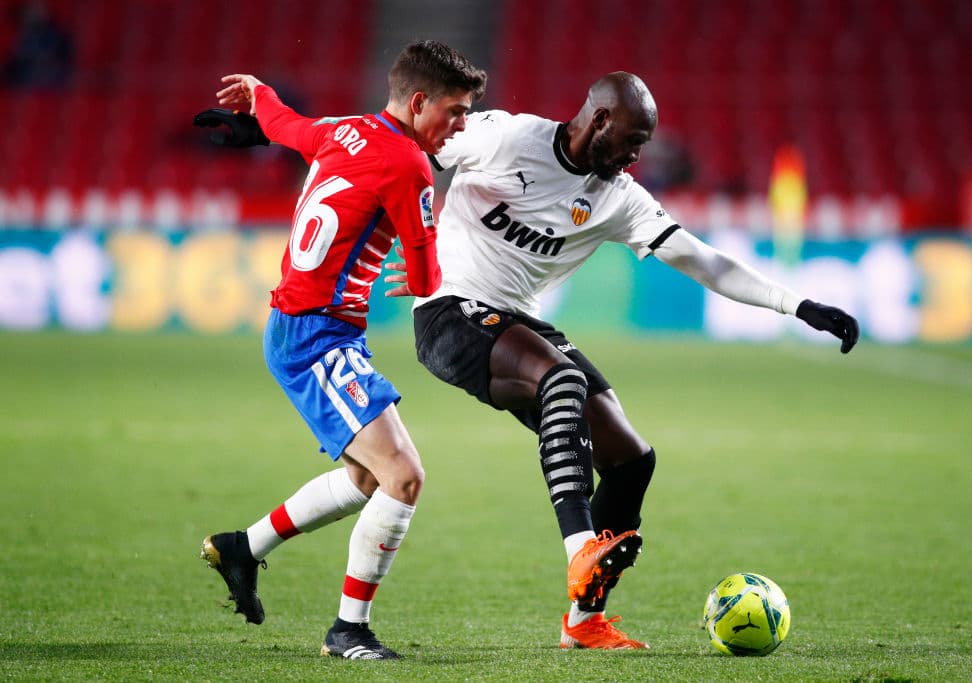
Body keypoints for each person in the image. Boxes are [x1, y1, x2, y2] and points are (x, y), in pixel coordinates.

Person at [386, 71, 859, 649]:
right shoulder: (504, 138)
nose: (637, 156)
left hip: (518, 322)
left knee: (631, 459)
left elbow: (703, 261)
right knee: (560, 381)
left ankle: (584, 622)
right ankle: (580, 549)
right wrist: (409, 238)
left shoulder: (619, 199)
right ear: (600, 119)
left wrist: (797, 304)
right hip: (449, 311)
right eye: (633, 140)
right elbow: (403, 142)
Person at [194, 41, 486, 660]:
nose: (460, 126)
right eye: (455, 112)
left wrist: (259, 94)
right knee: (403, 478)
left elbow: (285, 126)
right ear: (417, 102)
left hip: (308, 328)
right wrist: (427, 277)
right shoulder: (409, 166)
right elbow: (427, 274)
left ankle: (244, 547)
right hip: (315, 336)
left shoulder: (341, 130)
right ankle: (348, 630)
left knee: (365, 475)